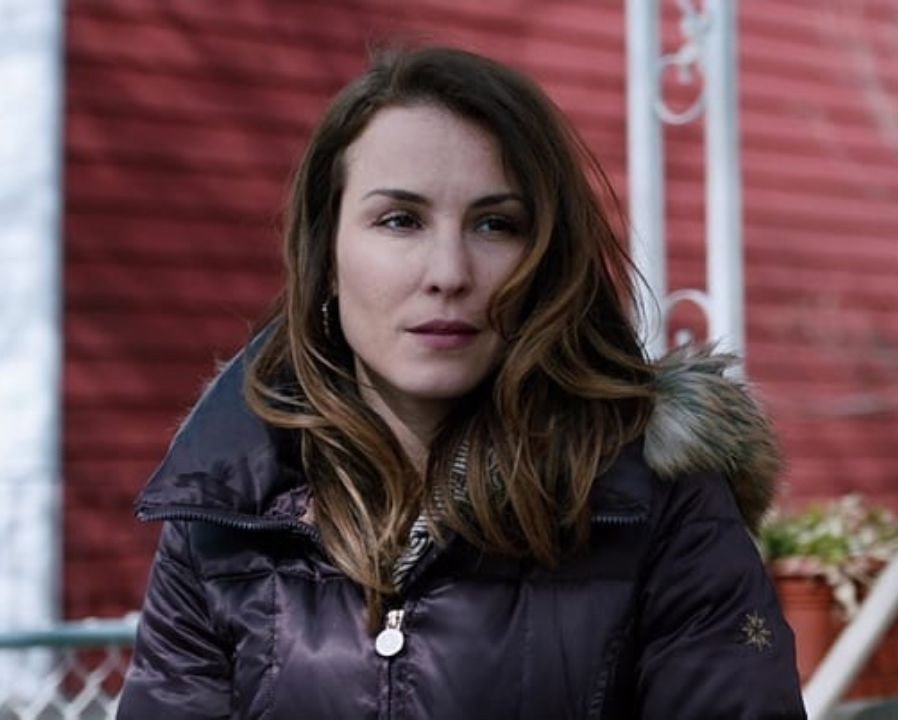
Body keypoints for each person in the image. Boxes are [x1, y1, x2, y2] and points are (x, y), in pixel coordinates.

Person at [118, 46, 806, 719]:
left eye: (495, 225)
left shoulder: (656, 498)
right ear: (326, 256)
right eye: (400, 220)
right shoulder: (227, 503)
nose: (449, 272)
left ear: (545, 264)